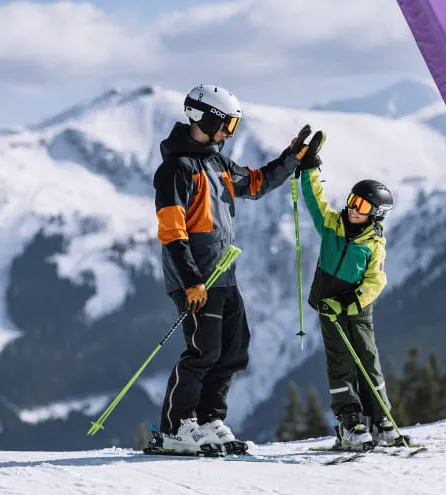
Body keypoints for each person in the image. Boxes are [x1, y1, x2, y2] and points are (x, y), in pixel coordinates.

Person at [151, 83, 320, 454]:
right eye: (227, 124)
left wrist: (292, 158)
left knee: (233, 351)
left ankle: (209, 419)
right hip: (196, 279)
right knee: (202, 353)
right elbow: (172, 230)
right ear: (207, 119)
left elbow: (256, 184)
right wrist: (192, 280)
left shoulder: (218, 164)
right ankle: (176, 427)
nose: (230, 133)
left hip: (224, 275)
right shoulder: (176, 170)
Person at [296, 139, 400, 450]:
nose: (354, 208)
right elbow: (315, 201)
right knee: (341, 363)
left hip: (357, 310)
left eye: (363, 206)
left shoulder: (373, 244)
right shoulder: (332, 225)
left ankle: (381, 418)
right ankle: (350, 420)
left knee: (368, 360)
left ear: (375, 214)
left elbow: (375, 280)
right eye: (354, 200)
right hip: (329, 310)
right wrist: (310, 168)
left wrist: (351, 303)